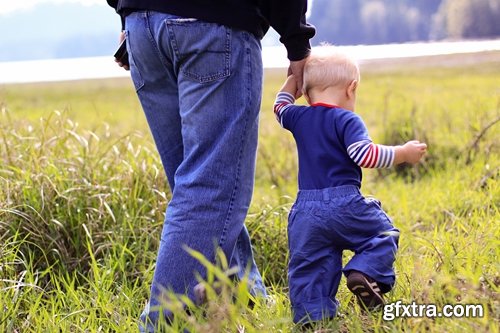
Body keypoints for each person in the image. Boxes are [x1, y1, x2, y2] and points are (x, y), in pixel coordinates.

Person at [106, 0, 315, 331]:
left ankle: (244, 296)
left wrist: (127, 11)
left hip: (143, 27)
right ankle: (162, 323)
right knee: (209, 188)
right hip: (214, 26)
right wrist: (297, 41)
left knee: (197, 182)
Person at [273, 49, 427, 324]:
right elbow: (364, 155)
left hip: (305, 212)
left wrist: (291, 84)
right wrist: (403, 153)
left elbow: (280, 108)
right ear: (351, 88)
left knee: (310, 265)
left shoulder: (299, 117)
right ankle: (365, 272)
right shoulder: (347, 120)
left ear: (306, 94)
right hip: (344, 203)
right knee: (382, 234)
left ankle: (313, 318)